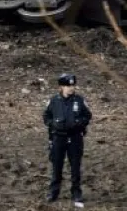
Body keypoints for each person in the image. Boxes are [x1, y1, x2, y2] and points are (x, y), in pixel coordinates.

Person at [43, 72, 92, 206]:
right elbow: (46, 116)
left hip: (75, 138)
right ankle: (54, 192)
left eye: (73, 85)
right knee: (56, 165)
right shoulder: (54, 101)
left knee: (75, 166)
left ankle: (76, 193)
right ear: (61, 87)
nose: (71, 88)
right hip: (58, 138)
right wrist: (53, 124)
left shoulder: (79, 100)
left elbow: (88, 116)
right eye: (67, 86)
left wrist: (79, 123)